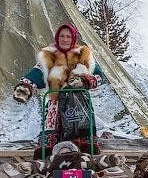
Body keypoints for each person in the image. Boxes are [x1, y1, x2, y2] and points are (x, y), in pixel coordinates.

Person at [13, 23, 106, 157]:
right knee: (52, 138)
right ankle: (49, 166)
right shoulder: (50, 55)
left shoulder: (83, 55)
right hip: (55, 101)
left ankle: (85, 165)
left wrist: (84, 81)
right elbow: (37, 72)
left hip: (80, 102)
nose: (65, 39)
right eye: (62, 36)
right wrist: (25, 87)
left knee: (82, 135)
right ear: (57, 38)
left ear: (73, 38)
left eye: (68, 36)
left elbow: (98, 76)